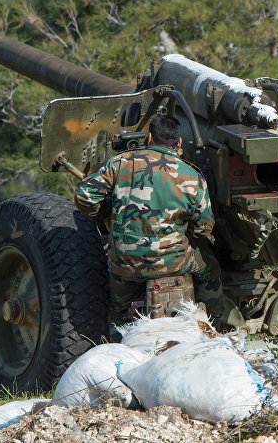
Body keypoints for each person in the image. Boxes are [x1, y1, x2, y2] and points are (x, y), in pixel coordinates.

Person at [74, 113, 224, 324]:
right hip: (174, 262)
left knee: (119, 306)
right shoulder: (192, 175)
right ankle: (215, 322)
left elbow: (84, 196)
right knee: (211, 269)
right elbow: (204, 228)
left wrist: (106, 217)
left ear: (150, 138)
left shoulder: (119, 163)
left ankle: (118, 326)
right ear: (179, 142)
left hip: (124, 263)